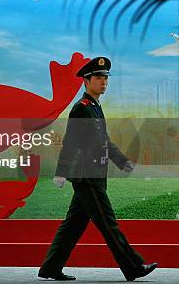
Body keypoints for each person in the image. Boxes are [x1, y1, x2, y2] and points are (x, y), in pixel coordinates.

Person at [38, 57, 158, 281]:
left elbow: (104, 141)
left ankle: (50, 268)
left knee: (73, 226)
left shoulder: (94, 108)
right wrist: (61, 171)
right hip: (87, 176)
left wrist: (122, 161)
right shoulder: (81, 109)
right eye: (98, 78)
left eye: (105, 78)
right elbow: (71, 141)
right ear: (86, 81)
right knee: (108, 223)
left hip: (95, 175)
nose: (104, 82)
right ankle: (134, 266)